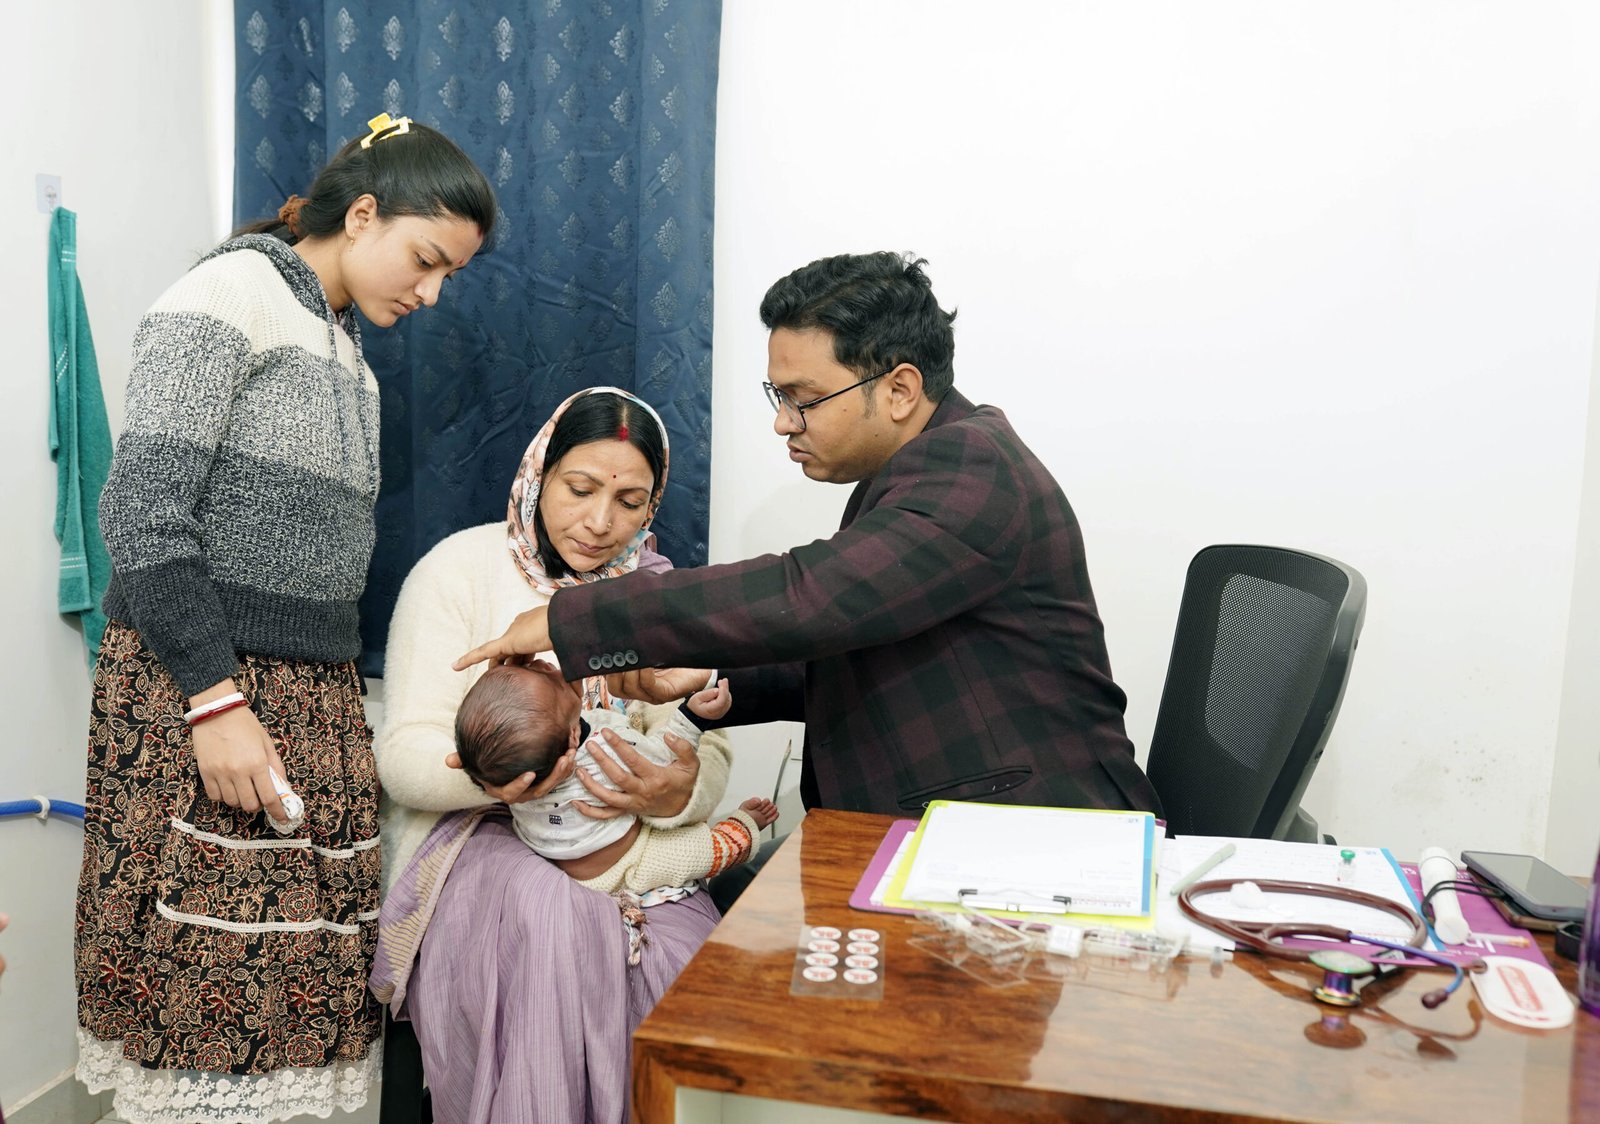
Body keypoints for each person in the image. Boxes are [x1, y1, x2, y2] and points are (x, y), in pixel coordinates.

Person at [74, 113, 495, 1124]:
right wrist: (214, 698)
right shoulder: (227, 294)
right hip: (209, 691)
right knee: (198, 1013)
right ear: (361, 213)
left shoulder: (343, 346)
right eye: (425, 258)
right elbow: (140, 508)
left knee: (282, 1025)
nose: (430, 292)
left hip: (305, 697)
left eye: (449, 276)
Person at [456, 251, 1162, 829]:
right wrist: (710, 677)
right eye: (777, 398)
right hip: (966, 822)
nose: (783, 424)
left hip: (1034, 839)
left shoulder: (971, 470)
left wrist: (570, 616)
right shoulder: (923, 467)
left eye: (803, 398)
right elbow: (867, 646)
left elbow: (808, 596)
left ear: (899, 389)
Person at [371, 387, 729, 1123]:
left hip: (629, 842)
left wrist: (674, 792)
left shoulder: (657, 597)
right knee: (563, 924)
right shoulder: (459, 571)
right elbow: (404, 758)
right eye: (580, 489)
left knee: (692, 962)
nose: (600, 522)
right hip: (474, 838)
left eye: (630, 501)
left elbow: (708, 754)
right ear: (539, 473)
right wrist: (526, 783)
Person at [454, 661, 777, 892]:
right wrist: (692, 717)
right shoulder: (607, 748)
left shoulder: (510, 765)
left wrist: (483, 778)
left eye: (533, 668)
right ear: (570, 738)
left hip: (548, 859)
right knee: (696, 851)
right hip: (623, 864)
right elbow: (665, 760)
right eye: (552, 681)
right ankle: (743, 830)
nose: (550, 666)